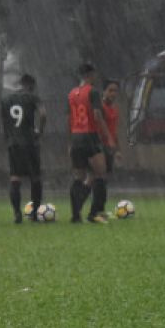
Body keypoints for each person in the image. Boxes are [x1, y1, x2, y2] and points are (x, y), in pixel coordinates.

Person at [2, 73, 47, 224]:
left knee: (15, 178)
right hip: (29, 142)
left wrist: (9, 136)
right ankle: (34, 214)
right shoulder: (33, 97)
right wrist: (39, 131)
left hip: (13, 143)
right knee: (35, 178)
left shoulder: (7, 99)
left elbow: (5, 121)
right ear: (31, 85)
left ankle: (17, 213)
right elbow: (43, 114)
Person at [68, 63, 109, 224]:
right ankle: (95, 213)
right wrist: (108, 137)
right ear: (91, 75)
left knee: (80, 177)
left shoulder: (71, 94)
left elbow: (69, 118)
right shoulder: (93, 92)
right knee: (100, 174)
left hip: (76, 136)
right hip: (90, 135)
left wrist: (69, 141)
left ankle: (75, 214)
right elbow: (97, 115)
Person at [97, 79, 122, 192]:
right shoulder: (99, 108)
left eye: (115, 91)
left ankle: (99, 204)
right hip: (99, 146)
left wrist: (117, 150)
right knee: (98, 177)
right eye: (110, 90)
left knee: (105, 177)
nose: (113, 93)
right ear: (104, 92)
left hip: (109, 147)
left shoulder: (115, 109)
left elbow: (114, 132)